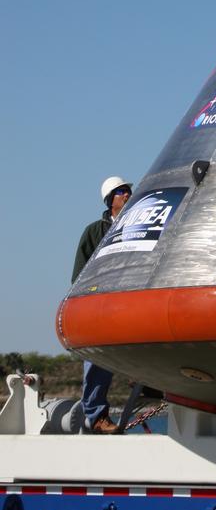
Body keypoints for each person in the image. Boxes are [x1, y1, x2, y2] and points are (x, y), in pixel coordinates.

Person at [72, 175, 133, 433]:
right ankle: (97, 416)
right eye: (121, 192)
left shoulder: (141, 225)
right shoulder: (94, 232)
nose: (128, 194)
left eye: (128, 190)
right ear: (110, 200)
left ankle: (153, 387)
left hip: (131, 299)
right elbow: (78, 274)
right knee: (97, 360)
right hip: (101, 304)